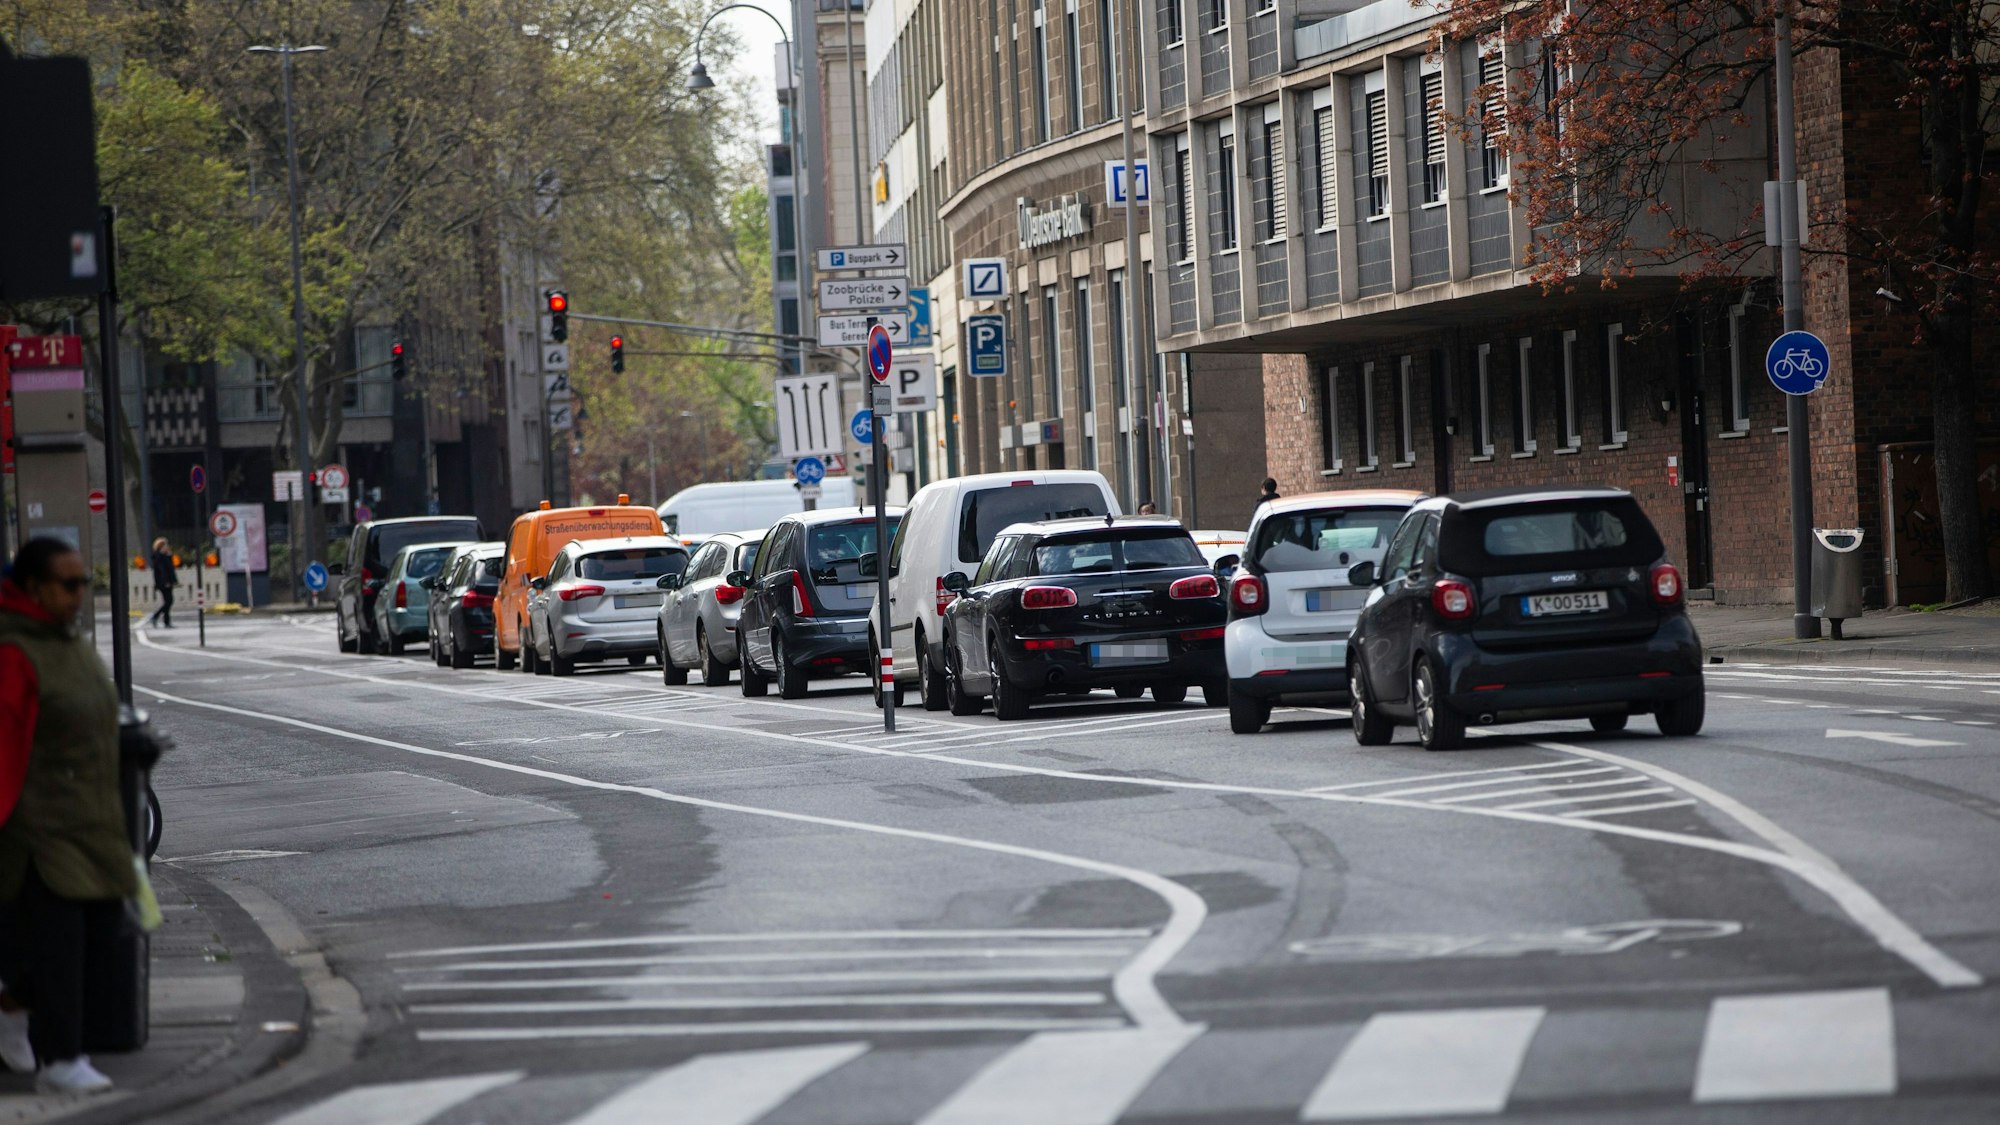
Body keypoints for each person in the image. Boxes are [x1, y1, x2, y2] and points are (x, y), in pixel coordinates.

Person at [0, 538, 136, 1094]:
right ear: (35, 588)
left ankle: (11, 1006)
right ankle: (61, 1060)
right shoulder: (16, 652)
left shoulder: (68, 643)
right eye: (69, 584)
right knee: (61, 947)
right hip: (43, 829)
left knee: (103, 934)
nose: (81, 593)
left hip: (90, 822)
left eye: (84, 582)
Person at [145, 537, 176, 629]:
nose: (167, 547)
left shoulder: (165, 556)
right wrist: (165, 581)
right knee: (169, 601)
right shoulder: (158, 557)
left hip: (168, 582)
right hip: (163, 583)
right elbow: (162, 571)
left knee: (168, 601)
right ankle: (156, 616)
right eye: (165, 545)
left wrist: (170, 556)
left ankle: (166, 621)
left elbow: (170, 568)